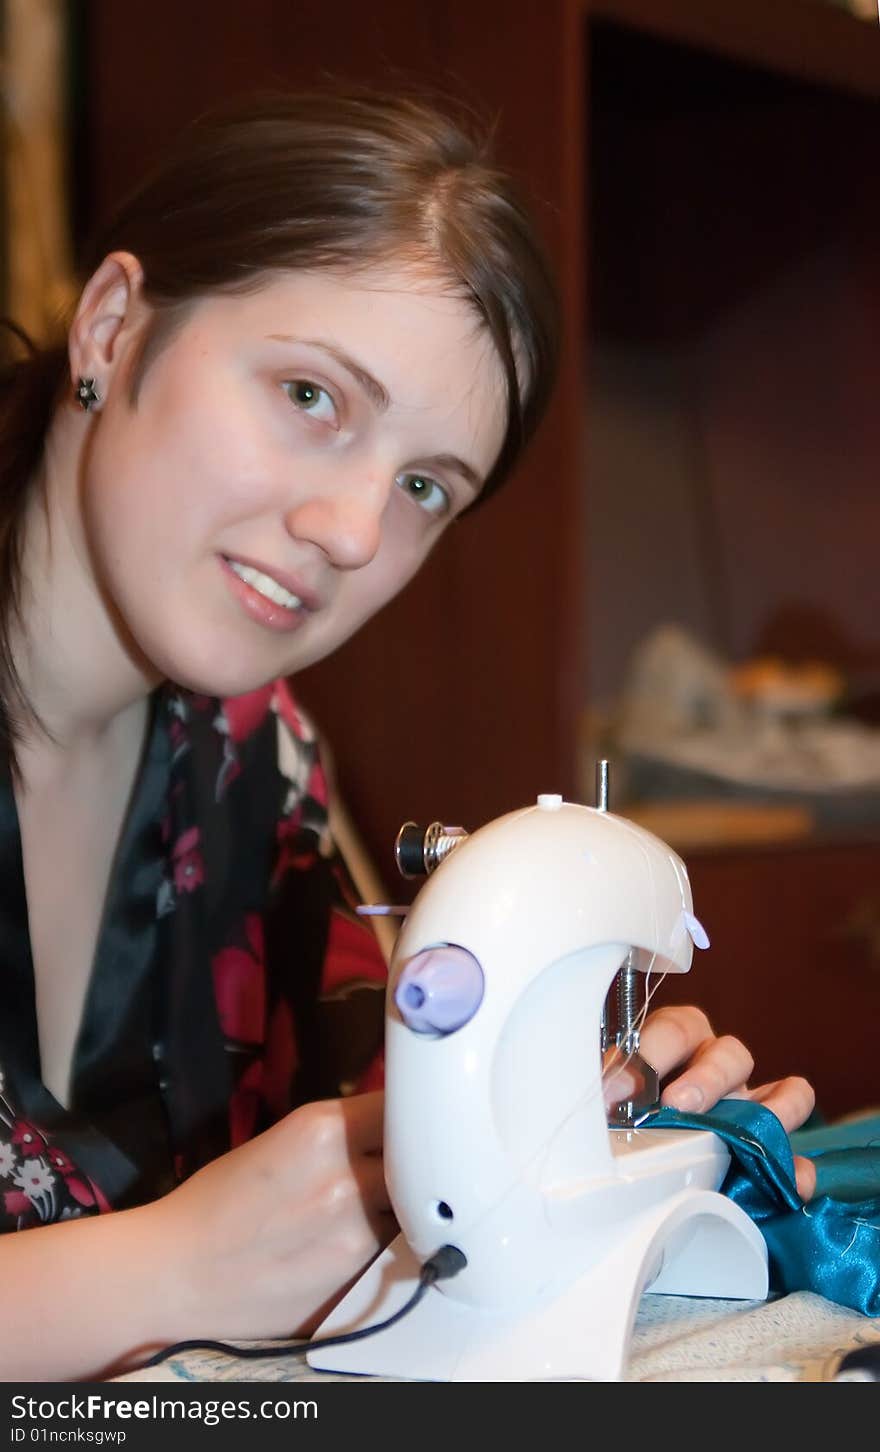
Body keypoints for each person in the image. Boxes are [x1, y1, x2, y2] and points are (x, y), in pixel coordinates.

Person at [0, 86, 816, 1382]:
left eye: (425, 486)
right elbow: (207, 1256)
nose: (356, 534)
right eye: (312, 395)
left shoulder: (256, 768)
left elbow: (369, 1152)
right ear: (114, 325)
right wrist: (169, 1265)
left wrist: (552, 1107)